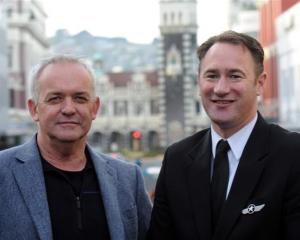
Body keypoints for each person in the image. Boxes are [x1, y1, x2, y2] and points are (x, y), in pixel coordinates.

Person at [147, 30, 300, 240]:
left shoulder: (292, 154)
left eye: (235, 76)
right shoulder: (177, 158)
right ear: (198, 82)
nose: (220, 88)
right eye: (211, 76)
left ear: (259, 83)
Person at [0, 55, 152, 240]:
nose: (69, 109)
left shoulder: (128, 179)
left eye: (80, 98)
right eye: (55, 98)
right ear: (34, 109)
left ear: (94, 108)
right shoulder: (3, 172)